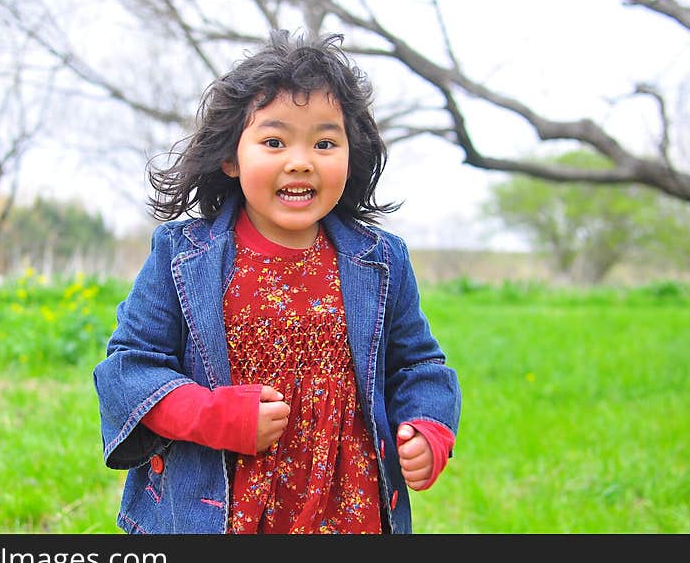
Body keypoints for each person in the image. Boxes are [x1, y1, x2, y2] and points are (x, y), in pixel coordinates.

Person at [93, 29, 462, 534]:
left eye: (325, 142)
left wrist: (428, 427)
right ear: (230, 156)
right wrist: (213, 413)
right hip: (221, 513)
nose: (300, 160)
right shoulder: (183, 256)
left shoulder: (379, 260)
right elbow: (126, 371)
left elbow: (418, 364)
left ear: (351, 156)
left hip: (347, 509)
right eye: (274, 140)